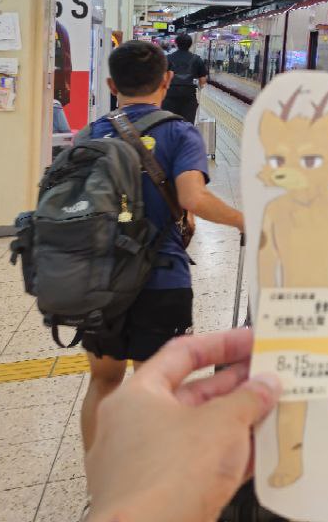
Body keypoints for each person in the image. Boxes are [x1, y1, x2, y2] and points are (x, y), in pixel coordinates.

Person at [80, 41, 245, 457]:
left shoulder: (91, 132)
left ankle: (99, 481)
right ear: (167, 80)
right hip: (160, 276)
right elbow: (192, 198)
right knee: (157, 383)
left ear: (111, 85)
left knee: (102, 381)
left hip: (99, 278)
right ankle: (148, 478)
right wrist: (243, 219)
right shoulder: (179, 132)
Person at [84, 328, 281, 522]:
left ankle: (99, 495)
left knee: (109, 379)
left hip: (102, 310)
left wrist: (112, 504)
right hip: (157, 308)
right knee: (151, 381)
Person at [163, 33, 209, 124]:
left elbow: (162, 78)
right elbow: (203, 81)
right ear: (190, 45)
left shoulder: (168, 58)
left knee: (168, 124)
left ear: (176, 44)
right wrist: (199, 85)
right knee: (187, 124)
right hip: (189, 97)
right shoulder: (197, 59)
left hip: (170, 96)